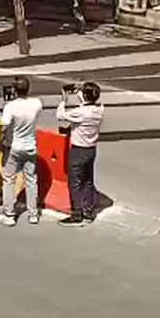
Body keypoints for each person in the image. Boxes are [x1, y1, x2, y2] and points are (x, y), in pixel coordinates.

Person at [0, 76, 43, 227]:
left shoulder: (10, 107)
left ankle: (9, 214)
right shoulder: (36, 103)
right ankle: (33, 213)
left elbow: (4, 126)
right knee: (31, 180)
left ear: (14, 90)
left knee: (9, 180)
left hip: (14, 147)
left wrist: (1, 144)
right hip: (30, 146)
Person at [56, 82, 104, 226]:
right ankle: (88, 212)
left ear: (84, 96)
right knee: (88, 181)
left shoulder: (81, 112)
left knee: (75, 183)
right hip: (91, 149)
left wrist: (64, 98)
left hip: (78, 150)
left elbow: (60, 116)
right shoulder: (100, 109)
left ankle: (76, 214)